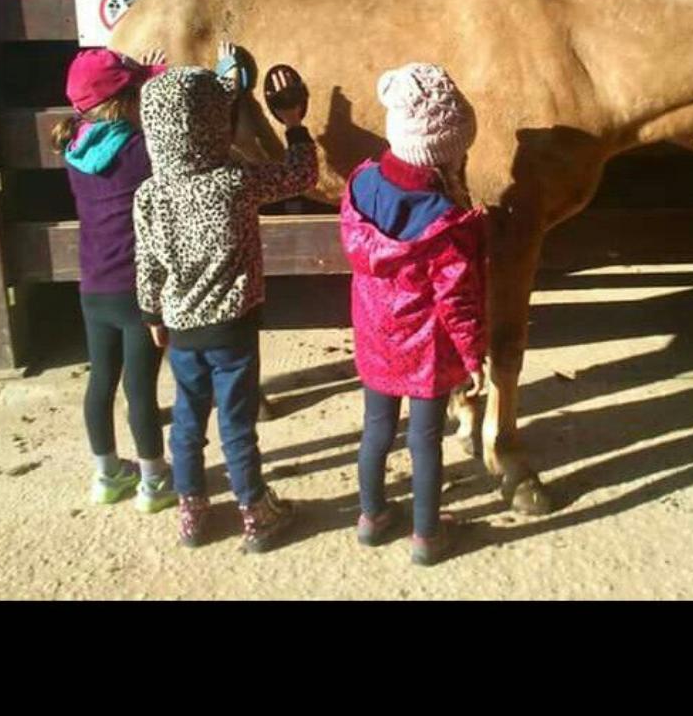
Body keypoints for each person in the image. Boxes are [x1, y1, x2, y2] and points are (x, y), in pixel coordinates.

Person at [134, 43, 318, 553]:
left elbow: (147, 263)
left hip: (179, 328)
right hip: (234, 325)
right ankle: (256, 511)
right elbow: (299, 174)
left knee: (188, 421)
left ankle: (192, 513)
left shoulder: (149, 194)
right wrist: (295, 125)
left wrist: (152, 311)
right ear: (215, 126)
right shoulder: (233, 182)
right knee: (237, 424)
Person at [339, 62, 487, 566]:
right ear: (446, 154)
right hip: (427, 348)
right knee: (425, 439)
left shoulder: (359, 186)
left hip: (376, 334)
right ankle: (426, 536)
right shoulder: (447, 223)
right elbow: (458, 300)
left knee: (375, 428)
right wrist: (474, 356)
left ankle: (371, 516)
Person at [52, 47, 177, 512]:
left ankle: (107, 476)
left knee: (100, 381)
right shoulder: (139, 150)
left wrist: (135, 75)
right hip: (135, 288)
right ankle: (153, 481)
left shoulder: (73, 148)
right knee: (140, 387)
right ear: (125, 100)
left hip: (93, 288)